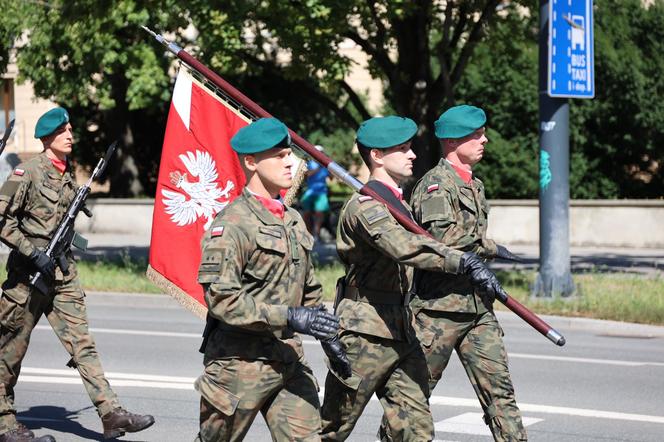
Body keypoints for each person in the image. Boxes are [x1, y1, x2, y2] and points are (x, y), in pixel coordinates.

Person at [319, 116, 507, 442]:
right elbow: (404, 247)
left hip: (403, 330)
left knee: (415, 431)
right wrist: (461, 260)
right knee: (330, 431)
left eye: (410, 147)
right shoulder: (366, 207)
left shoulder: (399, 204)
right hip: (365, 333)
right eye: (402, 148)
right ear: (377, 156)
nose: (413, 155)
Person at [0, 108, 155, 442]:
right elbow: (2, 220)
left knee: (83, 344)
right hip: (26, 279)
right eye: (63, 130)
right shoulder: (26, 172)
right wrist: (32, 253)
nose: (70, 134)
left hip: (62, 273)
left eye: (71, 128)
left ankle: (111, 414)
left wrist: (73, 243)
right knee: (10, 351)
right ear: (47, 138)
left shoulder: (67, 176)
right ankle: (5, 423)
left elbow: (66, 227)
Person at [195, 117, 347, 442]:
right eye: (278, 155)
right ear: (251, 161)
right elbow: (222, 299)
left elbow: (308, 288)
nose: (290, 161)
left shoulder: (292, 219)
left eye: (289, 153)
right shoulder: (232, 225)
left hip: (288, 358)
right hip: (238, 364)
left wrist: (327, 332)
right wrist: (289, 316)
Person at [406, 105, 527, 441]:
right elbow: (441, 242)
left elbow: (467, 237)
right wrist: (488, 248)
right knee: (413, 399)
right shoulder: (434, 186)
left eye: (482, 133)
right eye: (476, 134)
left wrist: (489, 247)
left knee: (500, 396)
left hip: (476, 309)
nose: (484, 139)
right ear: (451, 141)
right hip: (437, 312)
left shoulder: (475, 185)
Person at [300, 145, 330, 241]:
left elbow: (332, 177)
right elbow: (307, 174)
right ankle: (309, 234)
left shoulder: (325, 165)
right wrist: (318, 167)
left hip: (321, 192)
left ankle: (316, 234)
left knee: (319, 213)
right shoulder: (309, 163)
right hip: (310, 191)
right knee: (306, 213)